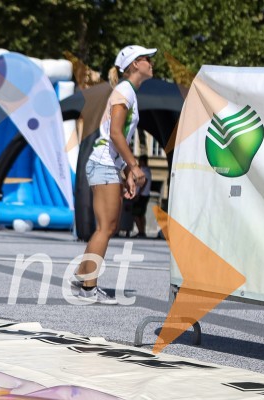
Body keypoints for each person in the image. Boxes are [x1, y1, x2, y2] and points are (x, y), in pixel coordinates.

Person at [71, 45, 155, 304]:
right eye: (147, 59)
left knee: (105, 227)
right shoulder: (125, 91)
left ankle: (83, 277)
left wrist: (126, 170)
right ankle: (89, 288)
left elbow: (117, 138)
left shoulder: (127, 91)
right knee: (106, 228)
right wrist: (134, 166)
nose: (151, 63)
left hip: (106, 164)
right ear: (134, 64)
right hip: (104, 164)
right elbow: (115, 134)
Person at [133, 155, 152, 238]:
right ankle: (142, 232)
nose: (139, 163)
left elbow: (144, 183)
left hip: (142, 195)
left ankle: (141, 232)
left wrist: (138, 194)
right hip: (144, 195)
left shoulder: (145, 171)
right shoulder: (146, 170)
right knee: (141, 214)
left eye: (140, 161)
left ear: (143, 161)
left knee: (136, 214)